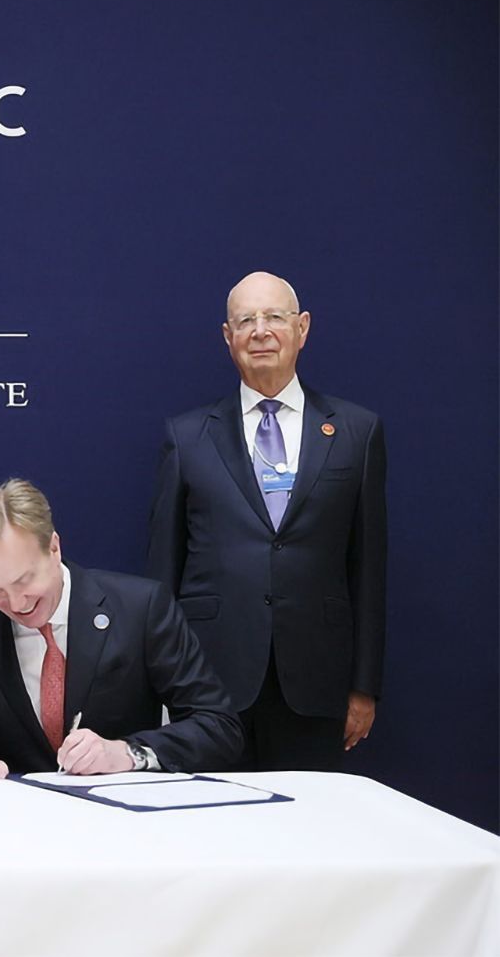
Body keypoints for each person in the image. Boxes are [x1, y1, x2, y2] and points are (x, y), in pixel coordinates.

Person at [148, 271, 386, 770]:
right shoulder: (187, 436)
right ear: (227, 336)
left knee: (307, 815)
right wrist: (163, 683)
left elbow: (368, 569)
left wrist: (364, 686)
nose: (260, 331)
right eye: (245, 321)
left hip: (316, 681)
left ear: (302, 328)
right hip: (211, 681)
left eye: (274, 317)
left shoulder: (356, 432)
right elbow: (163, 573)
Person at [0, 480, 241, 777]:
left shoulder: (140, 609)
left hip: (122, 808)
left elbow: (218, 729)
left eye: (24, 580)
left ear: (54, 547)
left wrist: (127, 753)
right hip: (20, 811)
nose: (15, 603)